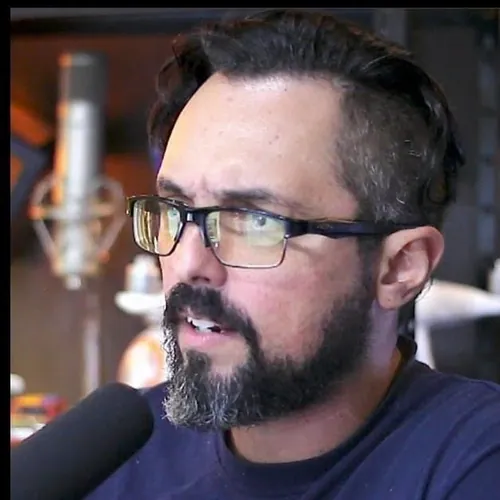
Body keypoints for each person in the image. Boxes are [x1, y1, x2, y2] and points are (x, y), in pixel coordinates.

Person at [87, 8, 500, 500]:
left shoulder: (474, 463)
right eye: (175, 209)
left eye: (254, 221)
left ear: (399, 267)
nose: (190, 264)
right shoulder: (110, 458)